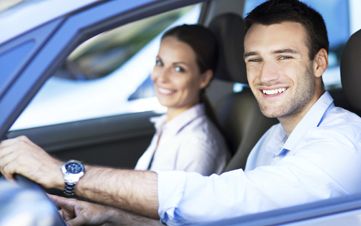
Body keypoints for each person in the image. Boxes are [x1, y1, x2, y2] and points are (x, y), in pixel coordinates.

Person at [1, 0, 361, 225]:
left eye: (284, 57)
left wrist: (63, 173)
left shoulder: (340, 145)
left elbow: (220, 199)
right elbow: (217, 219)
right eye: (254, 60)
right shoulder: (273, 138)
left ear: (319, 63)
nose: (265, 76)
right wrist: (110, 214)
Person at [134, 24, 229, 175]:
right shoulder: (169, 125)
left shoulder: (197, 146)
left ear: (204, 79)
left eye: (178, 69)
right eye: (160, 63)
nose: (162, 78)